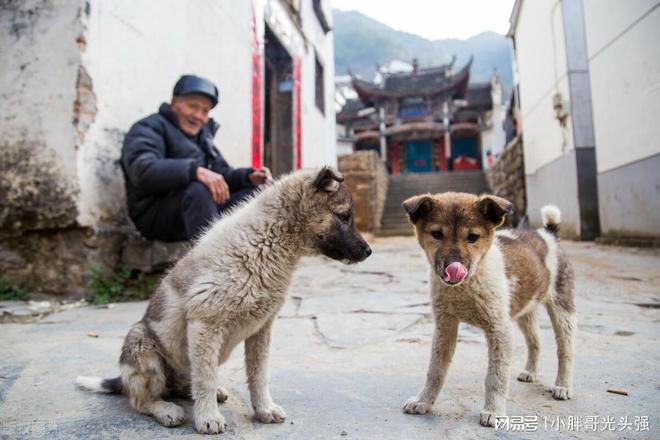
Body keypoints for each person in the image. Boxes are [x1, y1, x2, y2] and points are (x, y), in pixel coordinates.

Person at [121, 75, 271, 241]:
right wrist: (194, 171)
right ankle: (210, 262)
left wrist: (248, 176)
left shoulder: (202, 137)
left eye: (205, 111)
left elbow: (220, 174)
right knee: (198, 189)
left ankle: (256, 257)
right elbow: (142, 170)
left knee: (255, 194)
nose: (198, 115)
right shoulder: (149, 127)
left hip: (200, 211)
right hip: (157, 217)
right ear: (174, 103)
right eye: (193, 106)